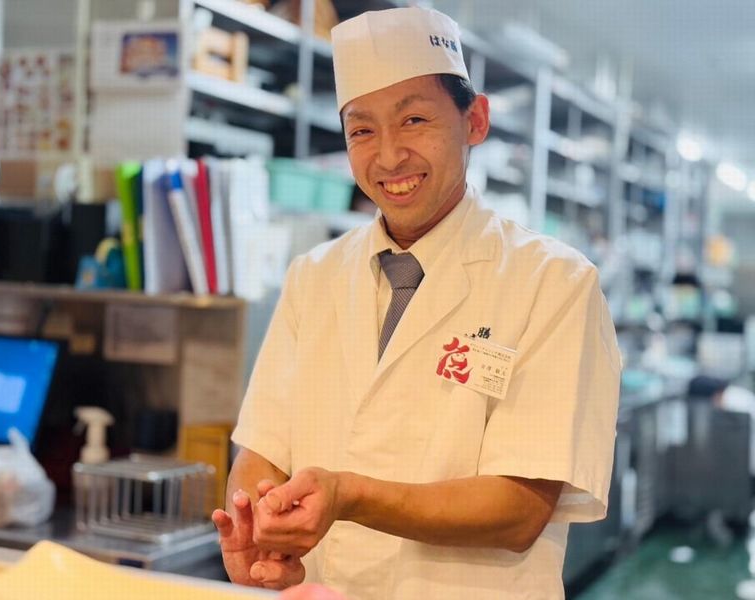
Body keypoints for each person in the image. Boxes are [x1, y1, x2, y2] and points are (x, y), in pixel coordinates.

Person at [212, 6, 621, 599]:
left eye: (414, 120)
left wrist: (348, 496)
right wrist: (259, 530)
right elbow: (263, 449)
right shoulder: (313, 277)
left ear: (475, 121)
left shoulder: (554, 282)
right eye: (362, 131)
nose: (388, 156)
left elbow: (519, 510)